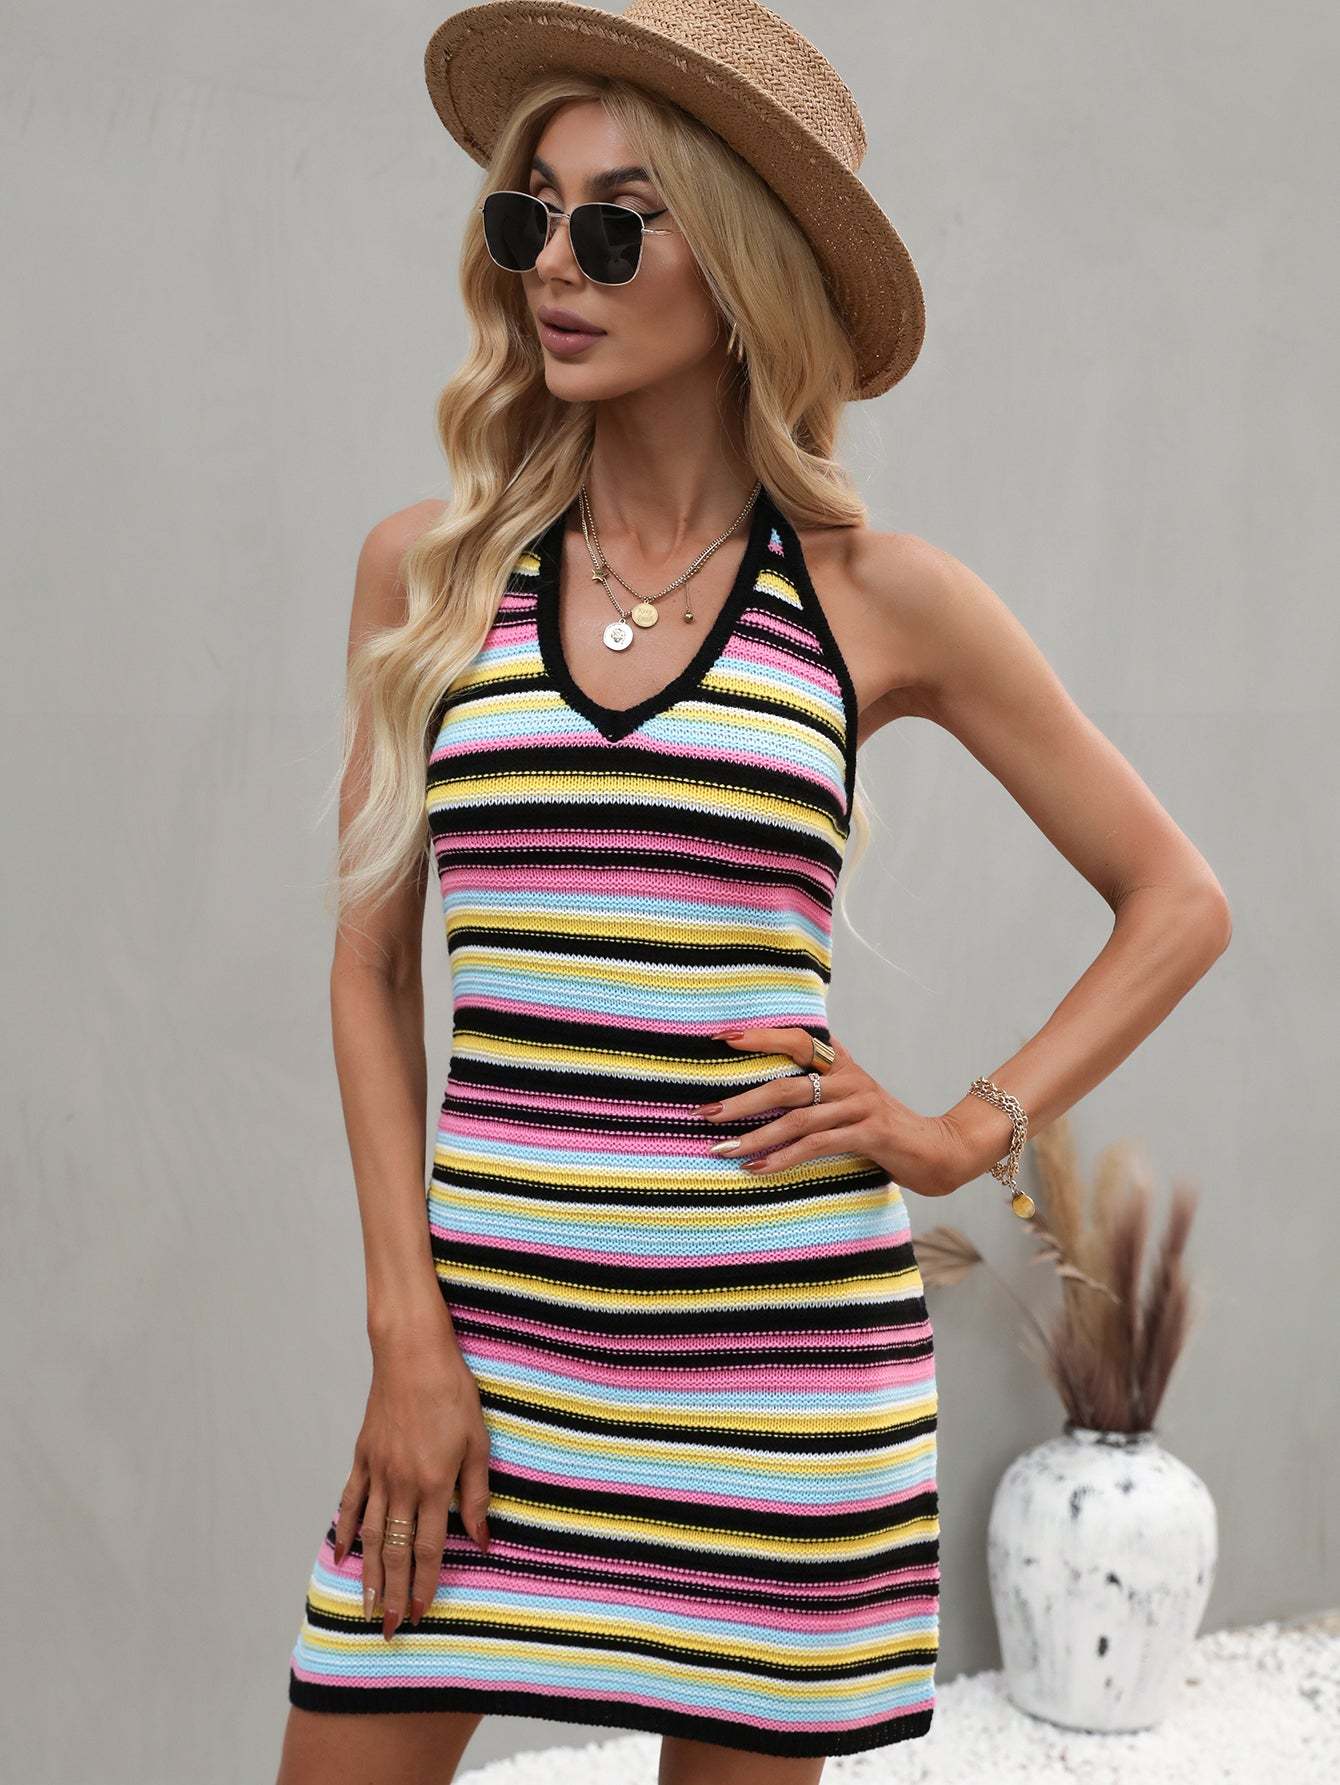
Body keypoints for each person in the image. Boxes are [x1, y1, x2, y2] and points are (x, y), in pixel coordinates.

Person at [275, 4, 1232, 1781]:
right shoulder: (427, 574)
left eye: (616, 226)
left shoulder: (877, 598)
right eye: (531, 216)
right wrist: (406, 1328)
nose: (553, 264)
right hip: (481, 1365)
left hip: (777, 1382)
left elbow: (1177, 897)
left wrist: (960, 1133)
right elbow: (367, 971)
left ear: (735, 272)